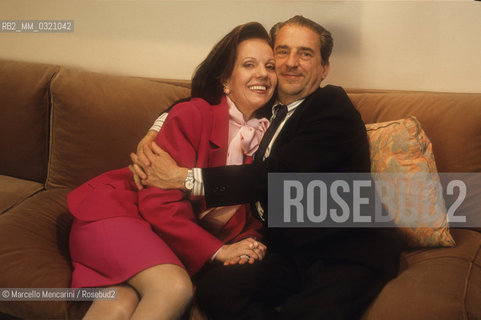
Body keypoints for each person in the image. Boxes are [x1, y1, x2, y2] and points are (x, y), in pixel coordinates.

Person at [131, 15, 401, 319]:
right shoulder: (266, 108)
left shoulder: (331, 107)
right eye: (282, 52)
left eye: (305, 53)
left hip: (344, 252)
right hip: (287, 254)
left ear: (324, 69)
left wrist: (185, 179)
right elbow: (206, 100)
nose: (291, 62)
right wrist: (156, 127)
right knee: (216, 290)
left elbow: (277, 176)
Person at [68, 22, 276, 320]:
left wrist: (251, 245)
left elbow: (253, 208)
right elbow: (158, 203)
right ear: (226, 79)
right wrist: (217, 252)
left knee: (118, 303)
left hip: (159, 241)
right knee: (174, 288)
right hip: (120, 215)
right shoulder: (194, 114)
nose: (262, 74)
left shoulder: (269, 139)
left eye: (270, 66)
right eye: (248, 64)